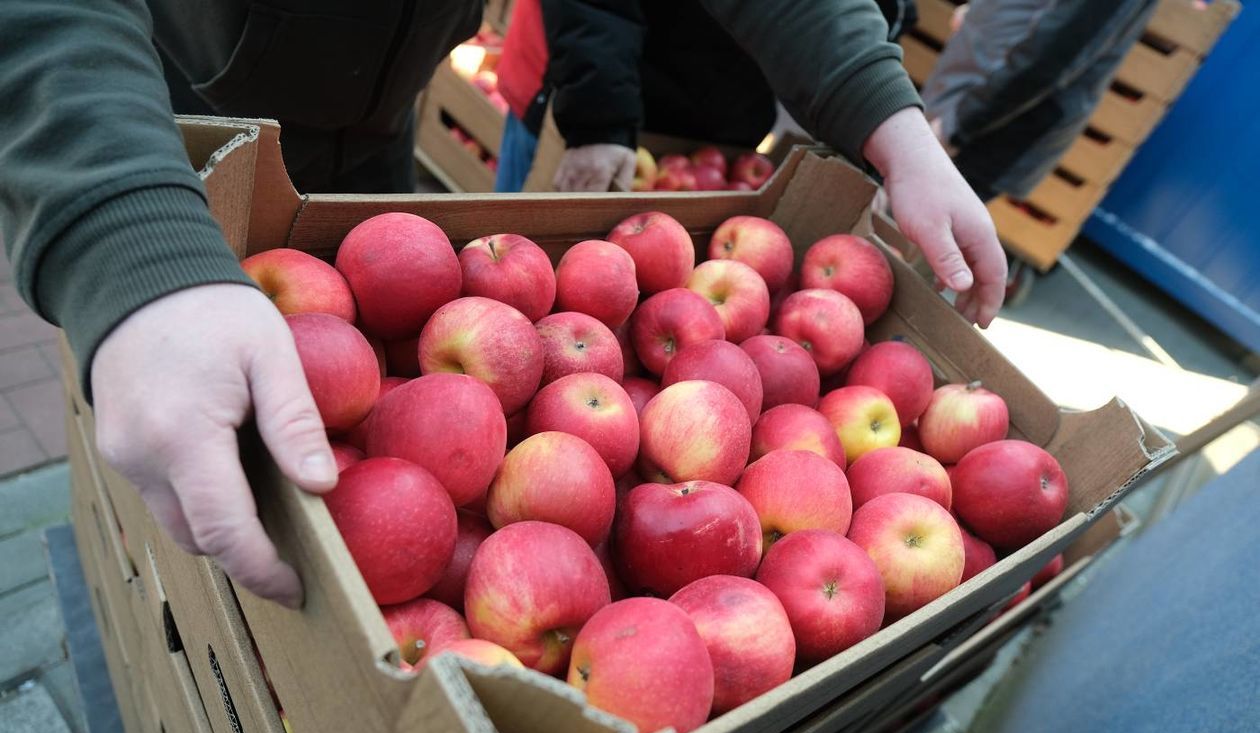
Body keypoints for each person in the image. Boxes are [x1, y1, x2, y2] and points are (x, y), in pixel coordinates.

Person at [0, 0, 1004, 608]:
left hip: (377, 138)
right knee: (193, 466)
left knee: (323, 413)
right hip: (162, 120)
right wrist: (121, 231)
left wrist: (886, 116)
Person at [494, 0, 917, 194]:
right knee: (511, 265)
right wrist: (597, 117)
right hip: (582, 91)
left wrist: (874, 143)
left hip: (717, 127)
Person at [920, 0, 1160, 203]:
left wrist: (959, 126)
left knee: (908, 229)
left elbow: (1057, 52)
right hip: (964, 92)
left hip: (989, 124)